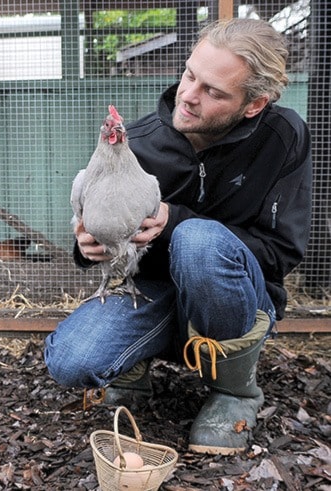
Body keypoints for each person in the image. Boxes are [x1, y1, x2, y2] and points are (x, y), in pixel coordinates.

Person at [44, 17, 312, 455]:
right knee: (73, 361)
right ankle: (134, 363)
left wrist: (177, 221)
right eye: (190, 75)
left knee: (198, 242)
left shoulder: (283, 138)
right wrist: (86, 245)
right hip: (151, 293)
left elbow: (281, 252)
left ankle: (235, 391)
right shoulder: (143, 143)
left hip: (238, 300)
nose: (188, 96)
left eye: (214, 91)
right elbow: (99, 233)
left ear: (253, 104)